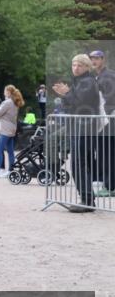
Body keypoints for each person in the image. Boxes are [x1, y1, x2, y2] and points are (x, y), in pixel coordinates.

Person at [53, 54, 102, 212]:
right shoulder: (80, 82)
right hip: (79, 127)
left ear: (87, 67)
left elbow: (81, 103)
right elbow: (71, 105)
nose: (76, 68)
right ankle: (88, 199)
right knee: (81, 163)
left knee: (79, 164)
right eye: (74, 65)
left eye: (80, 65)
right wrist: (66, 96)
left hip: (84, 129)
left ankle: (87, 201)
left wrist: (67, 94)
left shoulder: (87, 82)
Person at [90, 50, 115, 195]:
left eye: (97, 58)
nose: (94, 61)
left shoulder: (108, 75)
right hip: (105, 119)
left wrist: (107, 113)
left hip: (109, 119)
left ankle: (109, 187)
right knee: (106, 153)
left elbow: (110, 98)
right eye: (92, 58)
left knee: (106, 153)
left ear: (103, 60)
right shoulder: (99, 76)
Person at [0, 85, 23, 178]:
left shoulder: (7, 103)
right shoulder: (14, 102)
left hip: (5, 130)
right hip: (12, 129)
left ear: (8, 92)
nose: (3, 92)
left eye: (5, 91)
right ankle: (11, 170)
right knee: (10, 151)